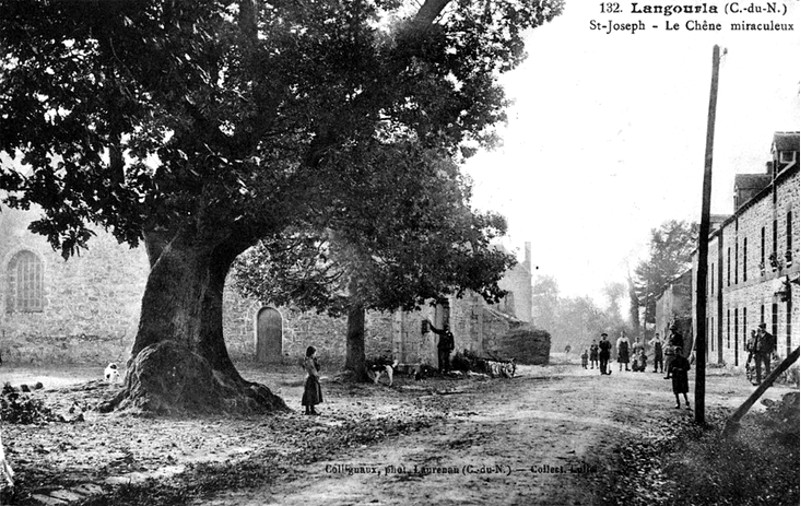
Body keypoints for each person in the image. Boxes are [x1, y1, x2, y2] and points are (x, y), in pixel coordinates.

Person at [301, 346, 322, 416]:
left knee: (309, 395)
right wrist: (316, 376)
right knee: (311, 395)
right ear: (312, 353)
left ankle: (309, 410)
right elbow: (313, 370)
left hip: (309, 378)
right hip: (312, 379)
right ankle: (310, 410)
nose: (315, 354)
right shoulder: (310, 361)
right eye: (315, 353)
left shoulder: (307, 360)